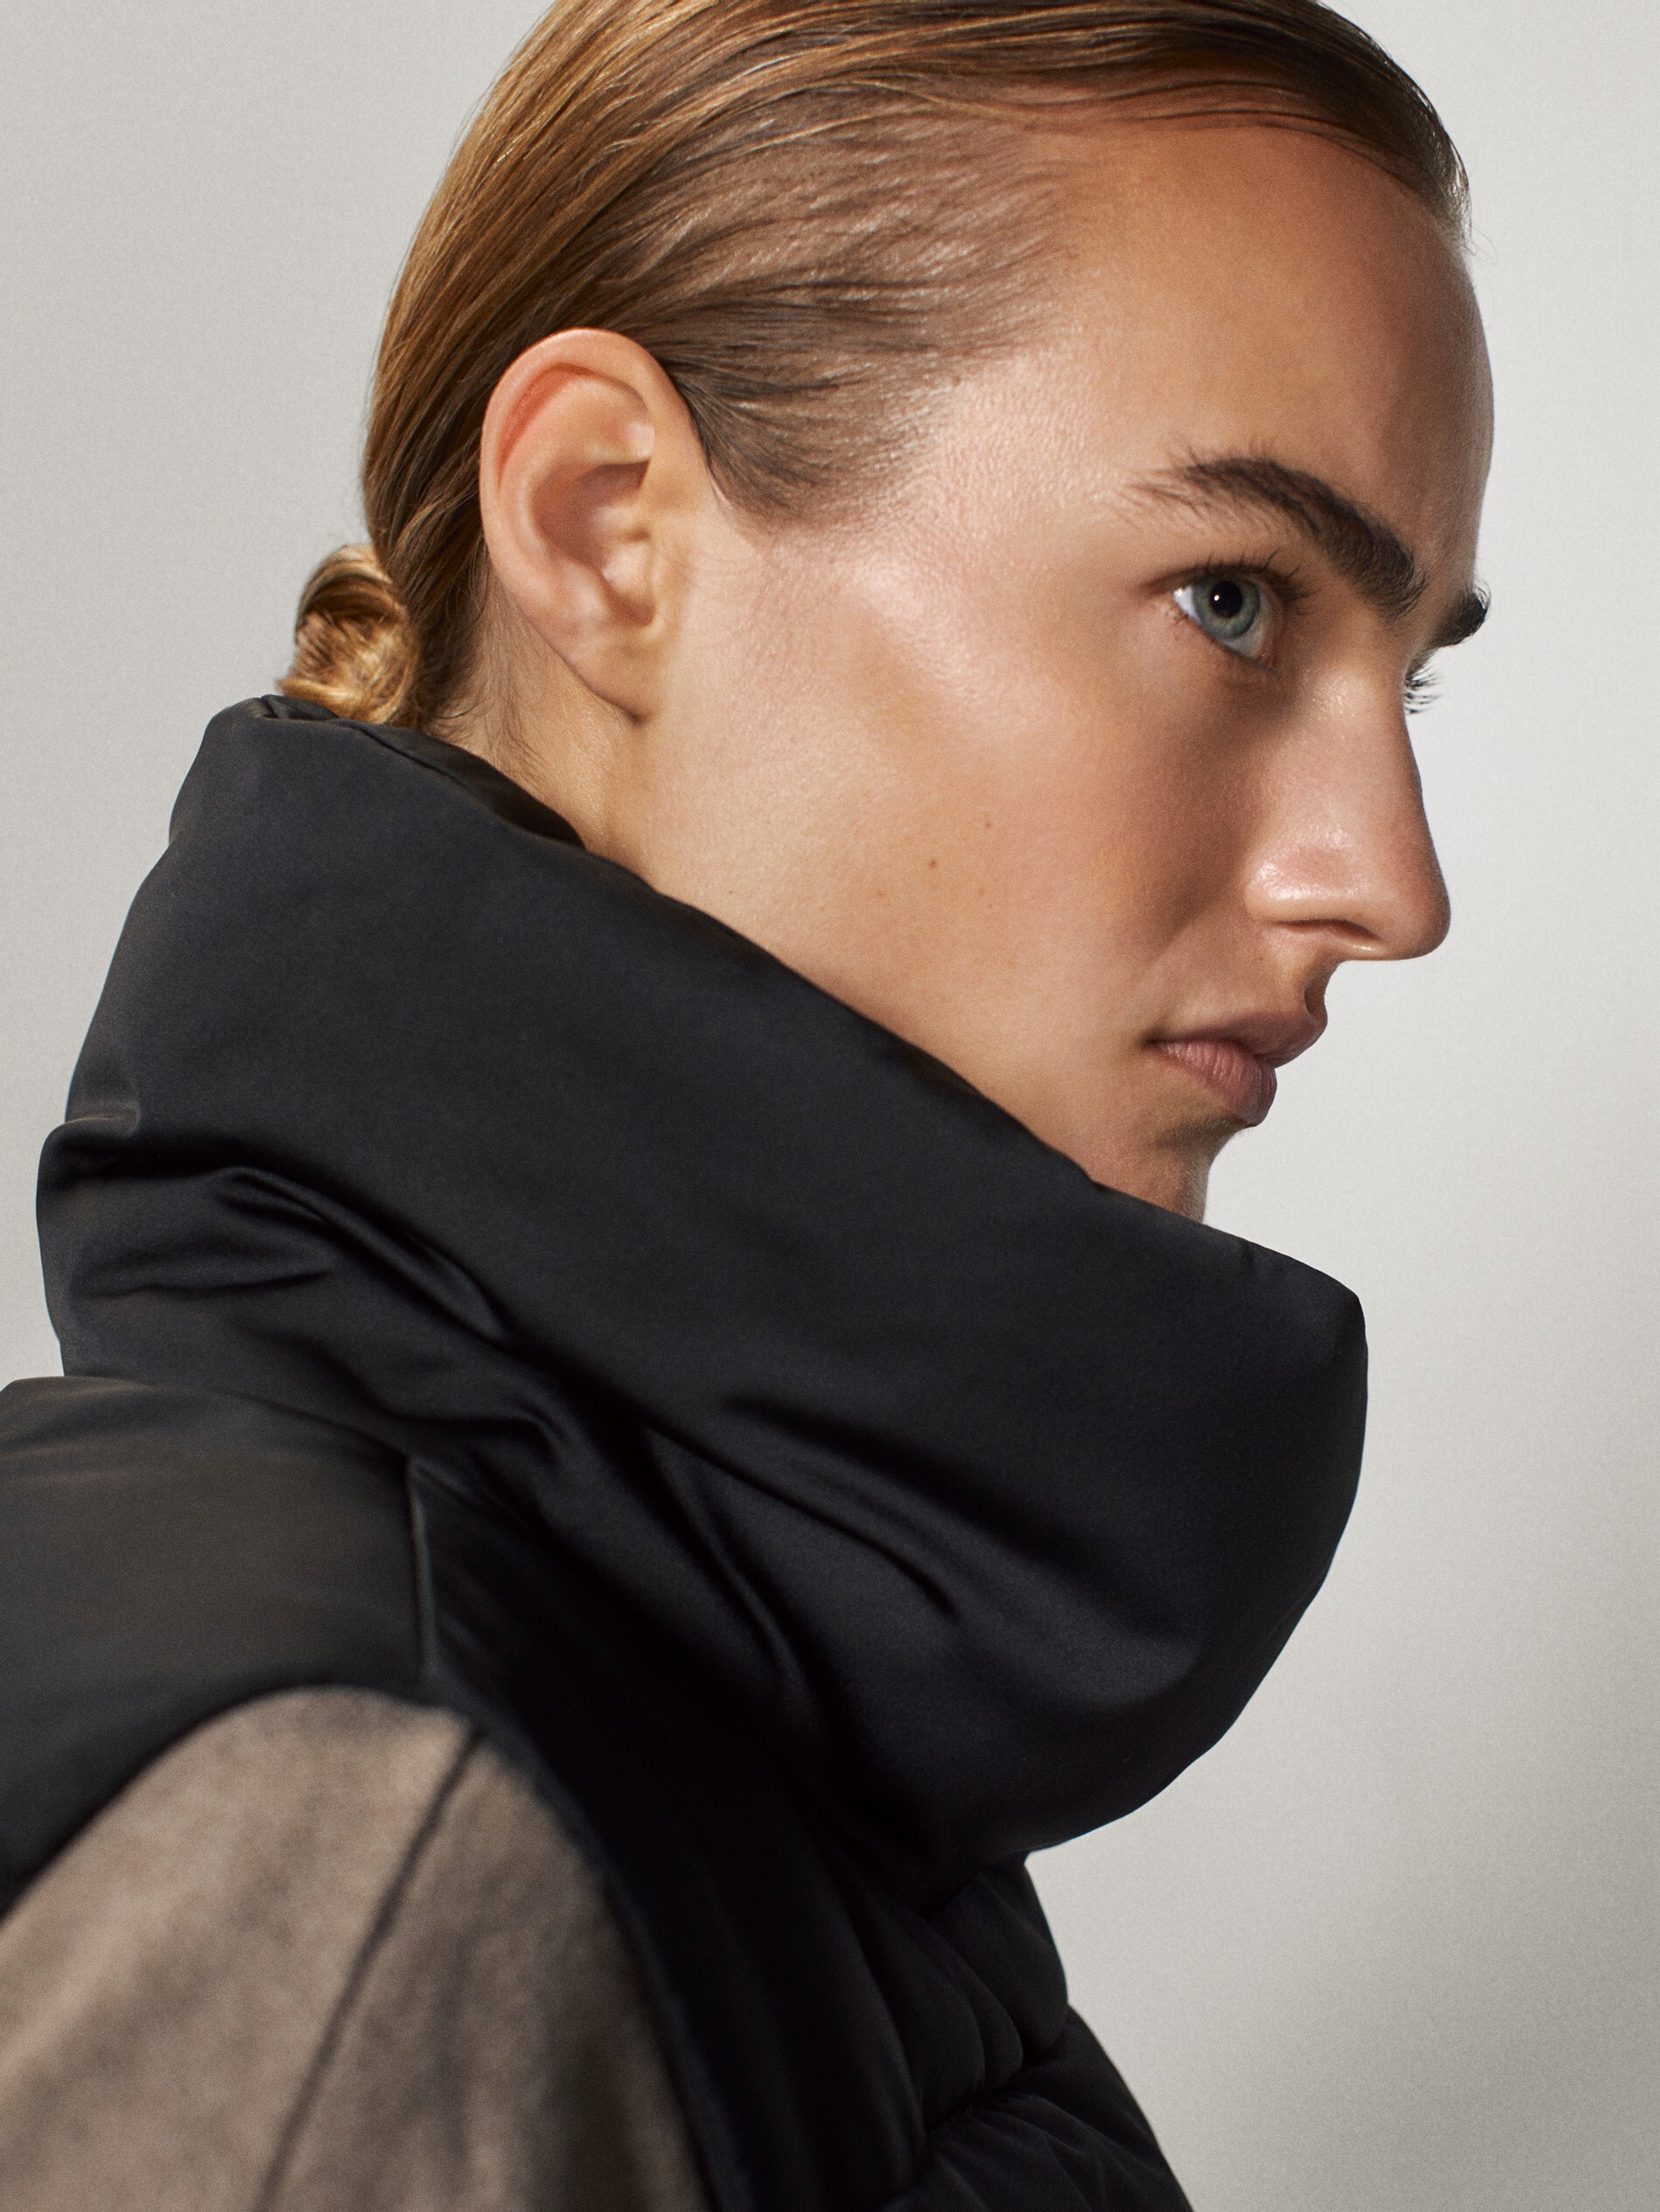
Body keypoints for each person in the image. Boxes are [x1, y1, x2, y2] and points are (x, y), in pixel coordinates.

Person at [0, 2, 1491, 2206]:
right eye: (1230, 600)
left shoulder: (698, 1698)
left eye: (1410, 671)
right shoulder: (344, 1850)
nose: (1390, 884)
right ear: (609, 526)